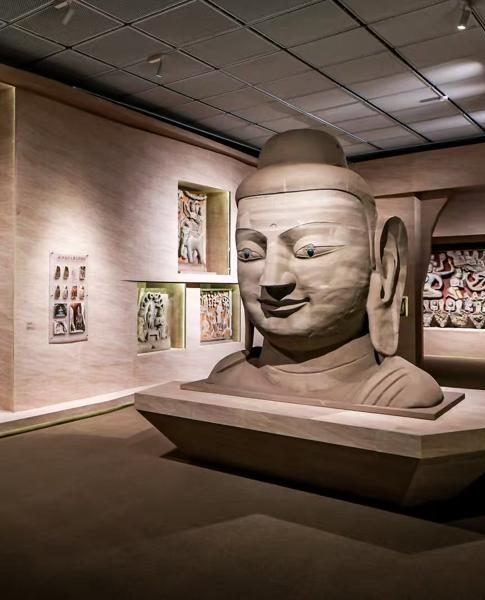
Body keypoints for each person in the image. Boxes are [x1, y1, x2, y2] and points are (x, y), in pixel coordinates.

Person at [188, 129, 442, 409]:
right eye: (249, 254)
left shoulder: (398, 393)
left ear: (386, 267)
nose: (272, 280)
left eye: (310, 250)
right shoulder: (227, 375)